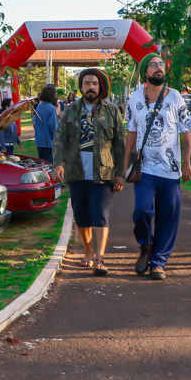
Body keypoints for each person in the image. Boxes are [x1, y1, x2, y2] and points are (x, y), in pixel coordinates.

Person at [122, 53, 191, 280]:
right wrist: (125, 165)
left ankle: (158, 262)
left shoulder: (175, 98)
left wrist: (187, 162)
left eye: (161, 64)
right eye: (154, 65)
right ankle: (145, 246)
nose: (159, 68)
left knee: (168, 215)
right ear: (145, 72)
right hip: (145, 168)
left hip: (171, 169)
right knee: (142, 210)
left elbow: (186, 131)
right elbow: (131, 132)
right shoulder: (134, 99)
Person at [53, 68, 125, 276]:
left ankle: (100, 259)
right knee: (82, 215)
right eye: (86, 83)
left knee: (100, 214)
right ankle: (88, 251)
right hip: (76, 173)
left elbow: (120, 143)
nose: (90, 87)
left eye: (94, 83)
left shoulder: (111, 111)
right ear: (81, 87)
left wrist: (120, 173)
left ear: (100, 86)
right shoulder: (70, 110)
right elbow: (59, 138)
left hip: (103, 174)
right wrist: (58, 163)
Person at [34, 85, 59, 163]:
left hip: (39, 142)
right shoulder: (51, 108)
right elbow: (54, 127)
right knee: (50, 166)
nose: (55, 96)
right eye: (55, 94)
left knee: (42, 166)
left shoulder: (39, 106)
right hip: (48, 143)